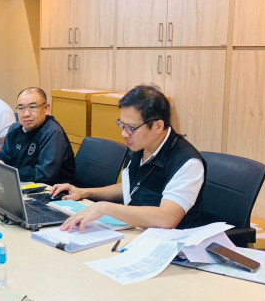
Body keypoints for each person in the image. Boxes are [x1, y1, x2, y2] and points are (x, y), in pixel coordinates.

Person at [52, 84, 206, 232]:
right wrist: (84, 192)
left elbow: (167, 218)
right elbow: (131, 185)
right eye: (122, 125)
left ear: (158, 126)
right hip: (135, 230)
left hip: (170, 243)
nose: (124, 133)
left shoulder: (187, 162)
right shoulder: (140, 146)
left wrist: (104, 208)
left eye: (131, 128)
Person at [0, 87, 75, 185]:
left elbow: (45, 174)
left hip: (51, 189)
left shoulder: (53, 132)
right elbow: (3, 155)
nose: (26, 114)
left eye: (32, 107)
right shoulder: (15, 128)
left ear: (46, 109)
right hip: (19, 182)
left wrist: (9, 172)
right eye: (21, 108)